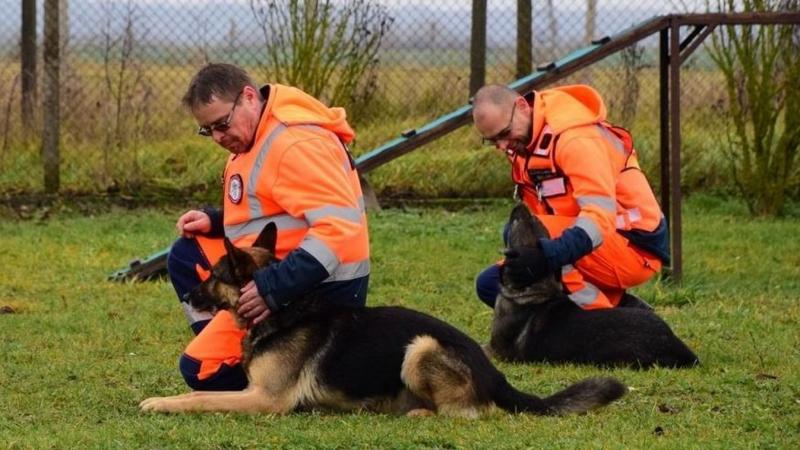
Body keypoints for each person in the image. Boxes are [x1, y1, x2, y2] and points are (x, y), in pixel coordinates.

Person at [166, 63, 370, 390]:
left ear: (248, 97)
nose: (218, 137)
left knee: (200, 370)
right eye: (208, 130)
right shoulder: (259, 131)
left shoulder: (295, 142)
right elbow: (274, 206)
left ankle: (278, 372)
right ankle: (249, 347)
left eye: (221, 124)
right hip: (273, 267)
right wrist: (216, 221)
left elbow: (338, 228)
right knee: (186, 255)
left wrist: (270, 288)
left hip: (318, 290)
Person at [472, 84, 669, 310]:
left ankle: (603, 321)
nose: (503, 146)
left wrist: (548, 256)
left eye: (505, 134)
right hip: (585, 242)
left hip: (633, 244)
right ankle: (620, 310)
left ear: (523, 106)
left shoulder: (575, 139)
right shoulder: (526, 141)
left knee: (519, 231)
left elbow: (599, 220)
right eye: (493, 141)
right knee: (492, 284)